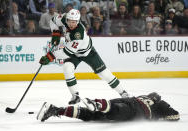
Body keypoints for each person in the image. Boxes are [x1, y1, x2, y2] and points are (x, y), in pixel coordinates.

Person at [39, 9, 128, 105]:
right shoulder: (64, 18)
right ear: (67, 19)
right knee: (67, 68)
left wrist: (49, 57)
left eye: (74, 22)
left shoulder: (78, 34)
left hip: (88, 53)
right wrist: (55, 33)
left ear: (77, 21)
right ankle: (75, 96)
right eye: (69, 21)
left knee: (104, 74)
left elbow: (66, 52)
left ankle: (123, 92)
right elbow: (53, 21)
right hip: (74, 53)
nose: (71, 24)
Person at [37, 92, 180, 122]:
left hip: (129, 100)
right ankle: (99, 105)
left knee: (92, 114)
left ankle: (56, 109)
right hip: (137, 110)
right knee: (116, 112)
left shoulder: (142, 97)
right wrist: (159, 117)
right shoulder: (159, 104)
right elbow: (175, 116)